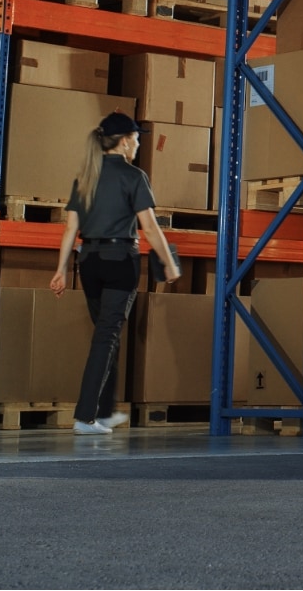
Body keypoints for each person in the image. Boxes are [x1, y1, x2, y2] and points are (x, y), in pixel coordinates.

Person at [49, 112, 181, 435]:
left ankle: (104, 412)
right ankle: (85, 417)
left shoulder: (85, 178)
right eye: (136, 138)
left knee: (107, 336)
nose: (137, 144)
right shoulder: (133, 176)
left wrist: (61, 270)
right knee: (106, 336)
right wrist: (169, 262)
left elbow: (70, 229)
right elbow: (149, 227)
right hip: (121, 260)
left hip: (90, 264)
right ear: (124, 141)